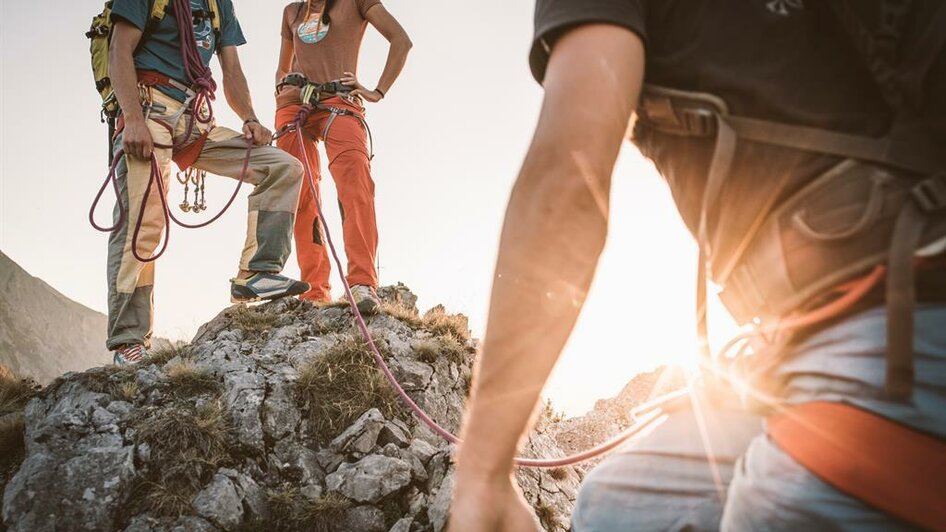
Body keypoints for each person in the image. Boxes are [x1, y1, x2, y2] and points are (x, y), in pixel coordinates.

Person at [450, 1, 946, 530]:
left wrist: (482, 473)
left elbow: (566, 184)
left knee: (775, 510)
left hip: (899, 322)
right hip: (830, 319)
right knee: (618, 506)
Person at [107, 0, 310, 365]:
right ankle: (128, 339)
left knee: (284, 168)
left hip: (195, 119)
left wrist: (249, 117)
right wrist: (132, 118)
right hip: (150, 109)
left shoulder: (219, 4)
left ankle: (257, 272)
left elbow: (231, 70)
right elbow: (119, 49)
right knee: (144, 220)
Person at [273, 0, 412, 314]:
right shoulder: (292, 12)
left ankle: (362, 283)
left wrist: (377, 91)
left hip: (340, 102)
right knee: (301, 193)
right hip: (295, 108)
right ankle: (314, 289)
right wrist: (281, 90)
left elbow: (401, 41)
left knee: (355, 183)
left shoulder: (358, 2)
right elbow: (283, 66)